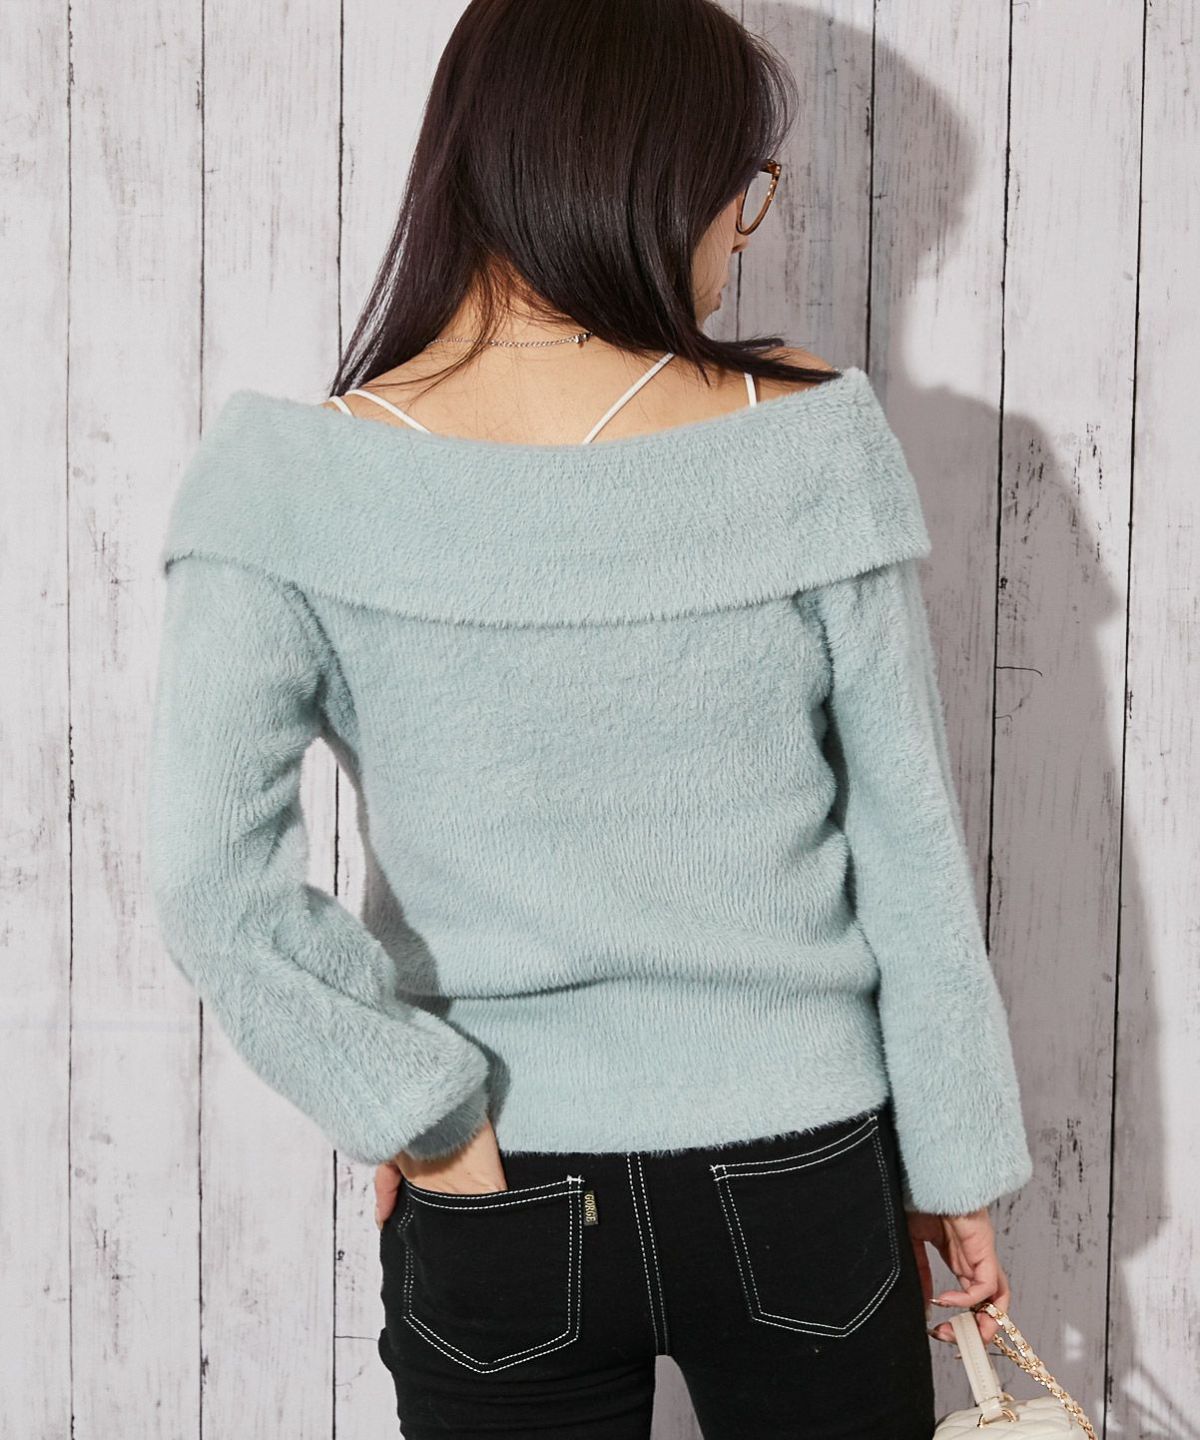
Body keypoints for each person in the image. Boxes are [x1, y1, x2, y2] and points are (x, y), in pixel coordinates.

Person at [144, 0, 1035, 1435]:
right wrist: (955, 1159)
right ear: (645, 175)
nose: (739, 227)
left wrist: (414, 1108)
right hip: (803, 1169)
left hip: (498, 1174)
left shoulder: (283, 480)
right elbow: (907, 844)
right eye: (738, 185)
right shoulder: (810, 443)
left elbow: (207, 881)